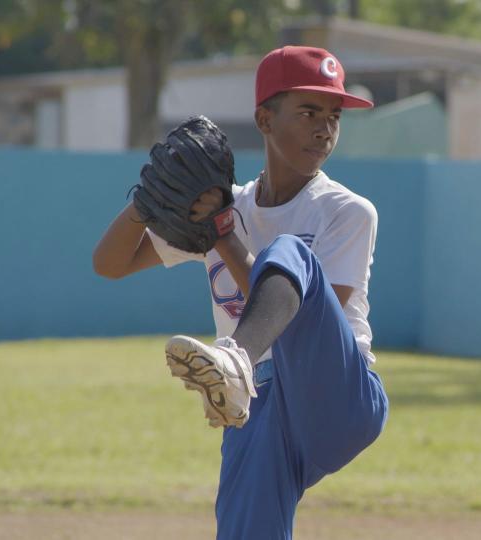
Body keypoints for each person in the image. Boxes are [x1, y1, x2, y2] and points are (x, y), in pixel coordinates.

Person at [92, 45, 388, 539]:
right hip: (257, 401)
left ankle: (235, 361)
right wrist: (148, 200)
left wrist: (225, 233)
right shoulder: (231, 205)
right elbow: (110, 264)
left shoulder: (346, 211)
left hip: (339, 398)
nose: (325, 127)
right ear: (264, 120)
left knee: (290, 253)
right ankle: (237, 372)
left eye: (334, 115)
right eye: (309, 111)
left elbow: (305, 325)